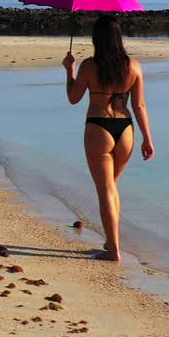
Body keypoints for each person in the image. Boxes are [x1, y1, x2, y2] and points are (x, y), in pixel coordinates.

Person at [61, 14, 154, 261]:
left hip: (98, 128)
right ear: (118, 37)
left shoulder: (89, 66)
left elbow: (73, 97)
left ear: (97, 38)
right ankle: (110, 241)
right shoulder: (133, 66)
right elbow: (140, 106)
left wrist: (69, 71)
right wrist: (147, 138)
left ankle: (113, 250)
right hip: (126, 130)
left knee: (105, 191)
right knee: (112, 188)